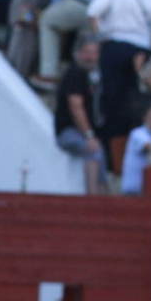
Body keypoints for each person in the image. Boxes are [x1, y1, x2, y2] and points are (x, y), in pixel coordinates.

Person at [88, 0, 151, 142]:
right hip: (142, 50)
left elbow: (92, 12)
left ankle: (111, 143)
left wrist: (100, 37)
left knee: (112, 99)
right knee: (136, 100)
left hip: (114, 48)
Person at [32, 0, 113, 89]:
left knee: (47, 21)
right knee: (84, 45)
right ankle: (80, 84)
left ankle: (49, 74)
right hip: (100, 14)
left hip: (79, 3)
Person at [54, 34, 106, 195]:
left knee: (99, 152)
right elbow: (76, 107)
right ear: (78, 53)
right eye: (87, 52)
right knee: (93, 150)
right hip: (68, 131)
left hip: (76, 131)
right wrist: (89, 135)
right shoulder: (76, 73)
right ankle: (93, 198)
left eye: (94, 53)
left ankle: (102, 196)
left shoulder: (90, 75)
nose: (91, 57)